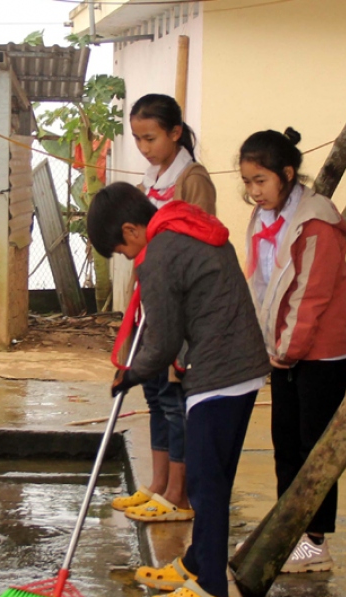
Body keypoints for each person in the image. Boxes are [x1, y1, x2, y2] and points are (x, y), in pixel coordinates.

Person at [89, 182, 270, 597]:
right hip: (239, 367)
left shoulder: (160, 255)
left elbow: (165, 339)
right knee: (212, 479)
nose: (129, 259)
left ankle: (211, 589)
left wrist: (132, 374)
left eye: (122, 250)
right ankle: (195, 563)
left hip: (219, 374)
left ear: (133, 230)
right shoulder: (180, 227)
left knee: (207, 485)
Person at [240, 128, 346, 573]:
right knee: (284, 442)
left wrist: (285, 349)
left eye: (261, 182)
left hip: (320, 352)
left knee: (315, 446)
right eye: (248, 182)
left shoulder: (316, 224)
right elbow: (260, 283)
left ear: (287, 175)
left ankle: (316, 538)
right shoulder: (262, 219)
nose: (253, 192)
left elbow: (310, 295)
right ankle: (289, 527)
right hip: (282, 349)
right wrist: (268, 345)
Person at [110, 94, 217, 525]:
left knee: (175, 400)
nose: (144, 147)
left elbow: (200, 239)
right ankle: (156, 484)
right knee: (155, 395)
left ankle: (179, 493)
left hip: (179, 308)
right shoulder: (148, 177)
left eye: (150, 137)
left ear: (175, 132)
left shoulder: (192, 179)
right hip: (147, 305)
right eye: (137, 139)